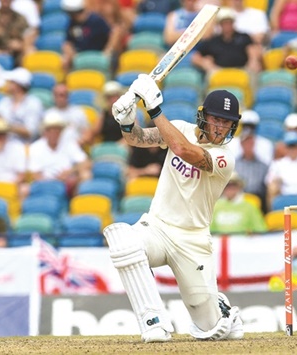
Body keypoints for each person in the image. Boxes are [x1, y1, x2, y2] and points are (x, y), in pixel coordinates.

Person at [104, 76, 244, 342]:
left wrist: (155, 110)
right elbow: (138, 139)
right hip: (157, 227)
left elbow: (183, 150)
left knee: (212, 331)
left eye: (227, 122)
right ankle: (153, 322)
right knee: (123, 242)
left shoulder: (225, 157)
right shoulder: (179, 128)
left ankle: (219, 308)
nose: (221, 127)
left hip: (192, 240)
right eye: (217, 119)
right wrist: (126, 121)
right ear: (203, 116)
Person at [28, 112, 92, 196]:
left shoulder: (69, 143)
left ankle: (77, 206)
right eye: (51, 130)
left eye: (57, 130)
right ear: (45, 132)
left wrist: (70, 171)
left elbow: (86, 162)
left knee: (85, 175)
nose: (54, 133)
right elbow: (35, 174)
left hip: (67, 182)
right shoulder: (35, 147)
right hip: (45, 184)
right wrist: (53, 182)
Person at [191, 7, 262, 78]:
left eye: (229, 22)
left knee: (254, 71)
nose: (227, 25)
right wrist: (206, 64)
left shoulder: (244, 37)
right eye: (224, 23)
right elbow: (195, 57)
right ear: (220, 25)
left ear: (233, 23)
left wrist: (253, 60)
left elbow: (254, 49)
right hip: (219, 71)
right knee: (210, 75)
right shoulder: (213, 41)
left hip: (242, 69)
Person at [0, 67, 45, 143]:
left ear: (18, 85)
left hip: (25, 147)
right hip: (4, 145)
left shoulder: (33, 103)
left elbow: (30, 132)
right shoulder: (4, 101)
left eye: (10, 82)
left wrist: (5, 125)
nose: (7, 84)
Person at [61, 0, 118, 73]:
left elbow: (112, 34)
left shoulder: (96, 20)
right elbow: (68, 42)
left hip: (98, 56)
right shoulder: (71, 23)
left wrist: (107, 51)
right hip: (80, 57)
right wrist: (69, 52)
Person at [265, 130, 297, 209]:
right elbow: (269, 182)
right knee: (273, 192)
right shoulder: (278, 163)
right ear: (286, 147)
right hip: (285, 197)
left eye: (295, 146)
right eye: (290, 146)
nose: (293, 149)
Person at [0, 0, 37, 66]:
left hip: (16, 54)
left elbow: (28, 41)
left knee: (30, 51)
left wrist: (20, 45)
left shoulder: (20, 19)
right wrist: (1, 54)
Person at [234, 129, 270, 215]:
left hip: (258, 197)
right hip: (238, 195)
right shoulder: (234, 164)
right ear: (241, 144)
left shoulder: (263, 165)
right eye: (246, 142)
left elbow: (264, 186)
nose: (248, 145)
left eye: (250, 142)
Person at [45, 83, 93, 147]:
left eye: (64, 95)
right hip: (54, 150)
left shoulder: (78, 112)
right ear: (54, 96)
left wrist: (80, 142)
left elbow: (87, 132)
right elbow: (44, 137)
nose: (61, 98)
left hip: (75, 148)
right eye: (58, 95)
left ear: (68, 96)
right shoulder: (48, 114)